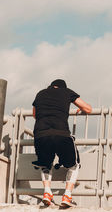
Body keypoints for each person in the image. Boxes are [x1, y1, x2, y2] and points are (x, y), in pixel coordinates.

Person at [32, 79, 92, 207]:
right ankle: (67, 196)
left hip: (40, 134)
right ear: (63, 87)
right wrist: (80, 110)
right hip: (61, 134)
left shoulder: (40, 93)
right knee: (74, 165)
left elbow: (34, 114)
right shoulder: (67, 92)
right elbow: (88, 108)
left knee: (45, 164)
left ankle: (47, 193)